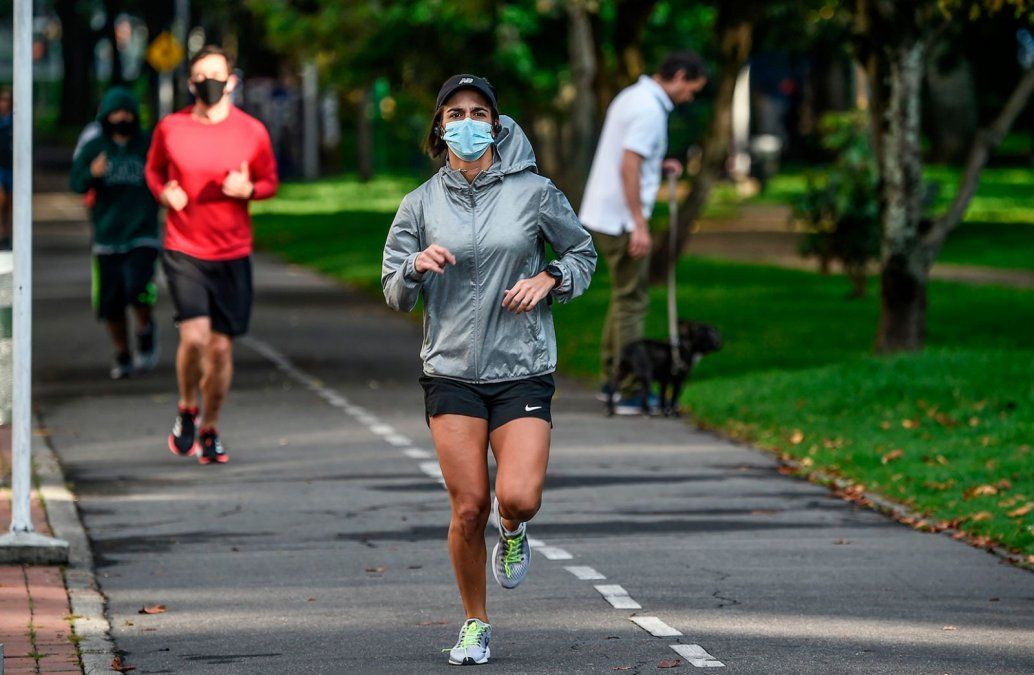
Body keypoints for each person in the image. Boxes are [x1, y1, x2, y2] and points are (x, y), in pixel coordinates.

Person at [382, 74, 596, 666]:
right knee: (468, 505)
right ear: (440, 126)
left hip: (521, 365)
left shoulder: (534, 193)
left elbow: (582, 252)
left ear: (496, 126)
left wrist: (549, 278)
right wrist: (416, 267)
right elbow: (394, 290)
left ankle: (516, 530)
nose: (468, 122)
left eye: (479, 113)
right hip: (451, 368)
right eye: (456, 113)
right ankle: (475, 622)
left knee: (518, 497)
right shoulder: (419, 205)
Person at [145, 45, 278, 464]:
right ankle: (187, 406)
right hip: (184, 247)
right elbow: (154, 171)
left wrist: (250, 190)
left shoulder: (251, 131)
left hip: (232, 251)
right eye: (201, 77)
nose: (210, 83)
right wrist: (164, 193)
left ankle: (210, 427)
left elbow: (270, 181)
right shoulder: (171, 127)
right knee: (195, 337)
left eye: (217, 75)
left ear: (232, 81)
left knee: (221, 349)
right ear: (190, 83)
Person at [579, 51, 708, 415]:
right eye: (692, 89)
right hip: (621, 218)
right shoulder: (650, 110)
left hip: (603, 212)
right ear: (679, 76)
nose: (690, 97)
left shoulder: (631, 96)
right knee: (634, 301)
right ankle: (634, 389)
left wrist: (659, 162)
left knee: (623, 298)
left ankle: (612, 380)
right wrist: (639, 223)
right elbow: (628, 165)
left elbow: (633, 156)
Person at [69, 87, 161, 379]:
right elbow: (77, 183)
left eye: (126, 112)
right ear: (106, 116)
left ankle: (146, 328)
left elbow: (166, 176)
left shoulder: (148, 145)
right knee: (111, 304)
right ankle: (123, 353)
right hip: (107, 237)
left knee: (139, 288)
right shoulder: (95, 146)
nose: (121, 117)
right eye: (115, 113)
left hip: (142, 233)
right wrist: (92, 174)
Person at [0, 88, 12, 250]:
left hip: (13, 168)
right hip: (1, 168)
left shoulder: (16, 122)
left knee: (11, 203)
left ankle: (7, 234)